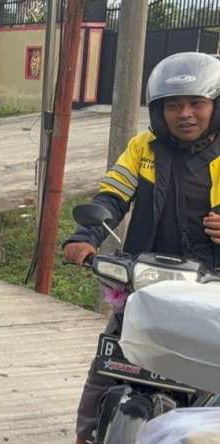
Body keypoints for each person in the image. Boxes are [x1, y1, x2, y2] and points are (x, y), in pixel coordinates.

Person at [64, 52, 220, 444]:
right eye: (173, 104)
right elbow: (112, 196)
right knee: (107, 367)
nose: (185, 113)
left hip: (211, 293)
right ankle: (85, 436)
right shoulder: (142, 147)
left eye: (196, 103)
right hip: (144, 285)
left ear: (214, 106)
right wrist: (86, 236)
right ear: (157, 109)